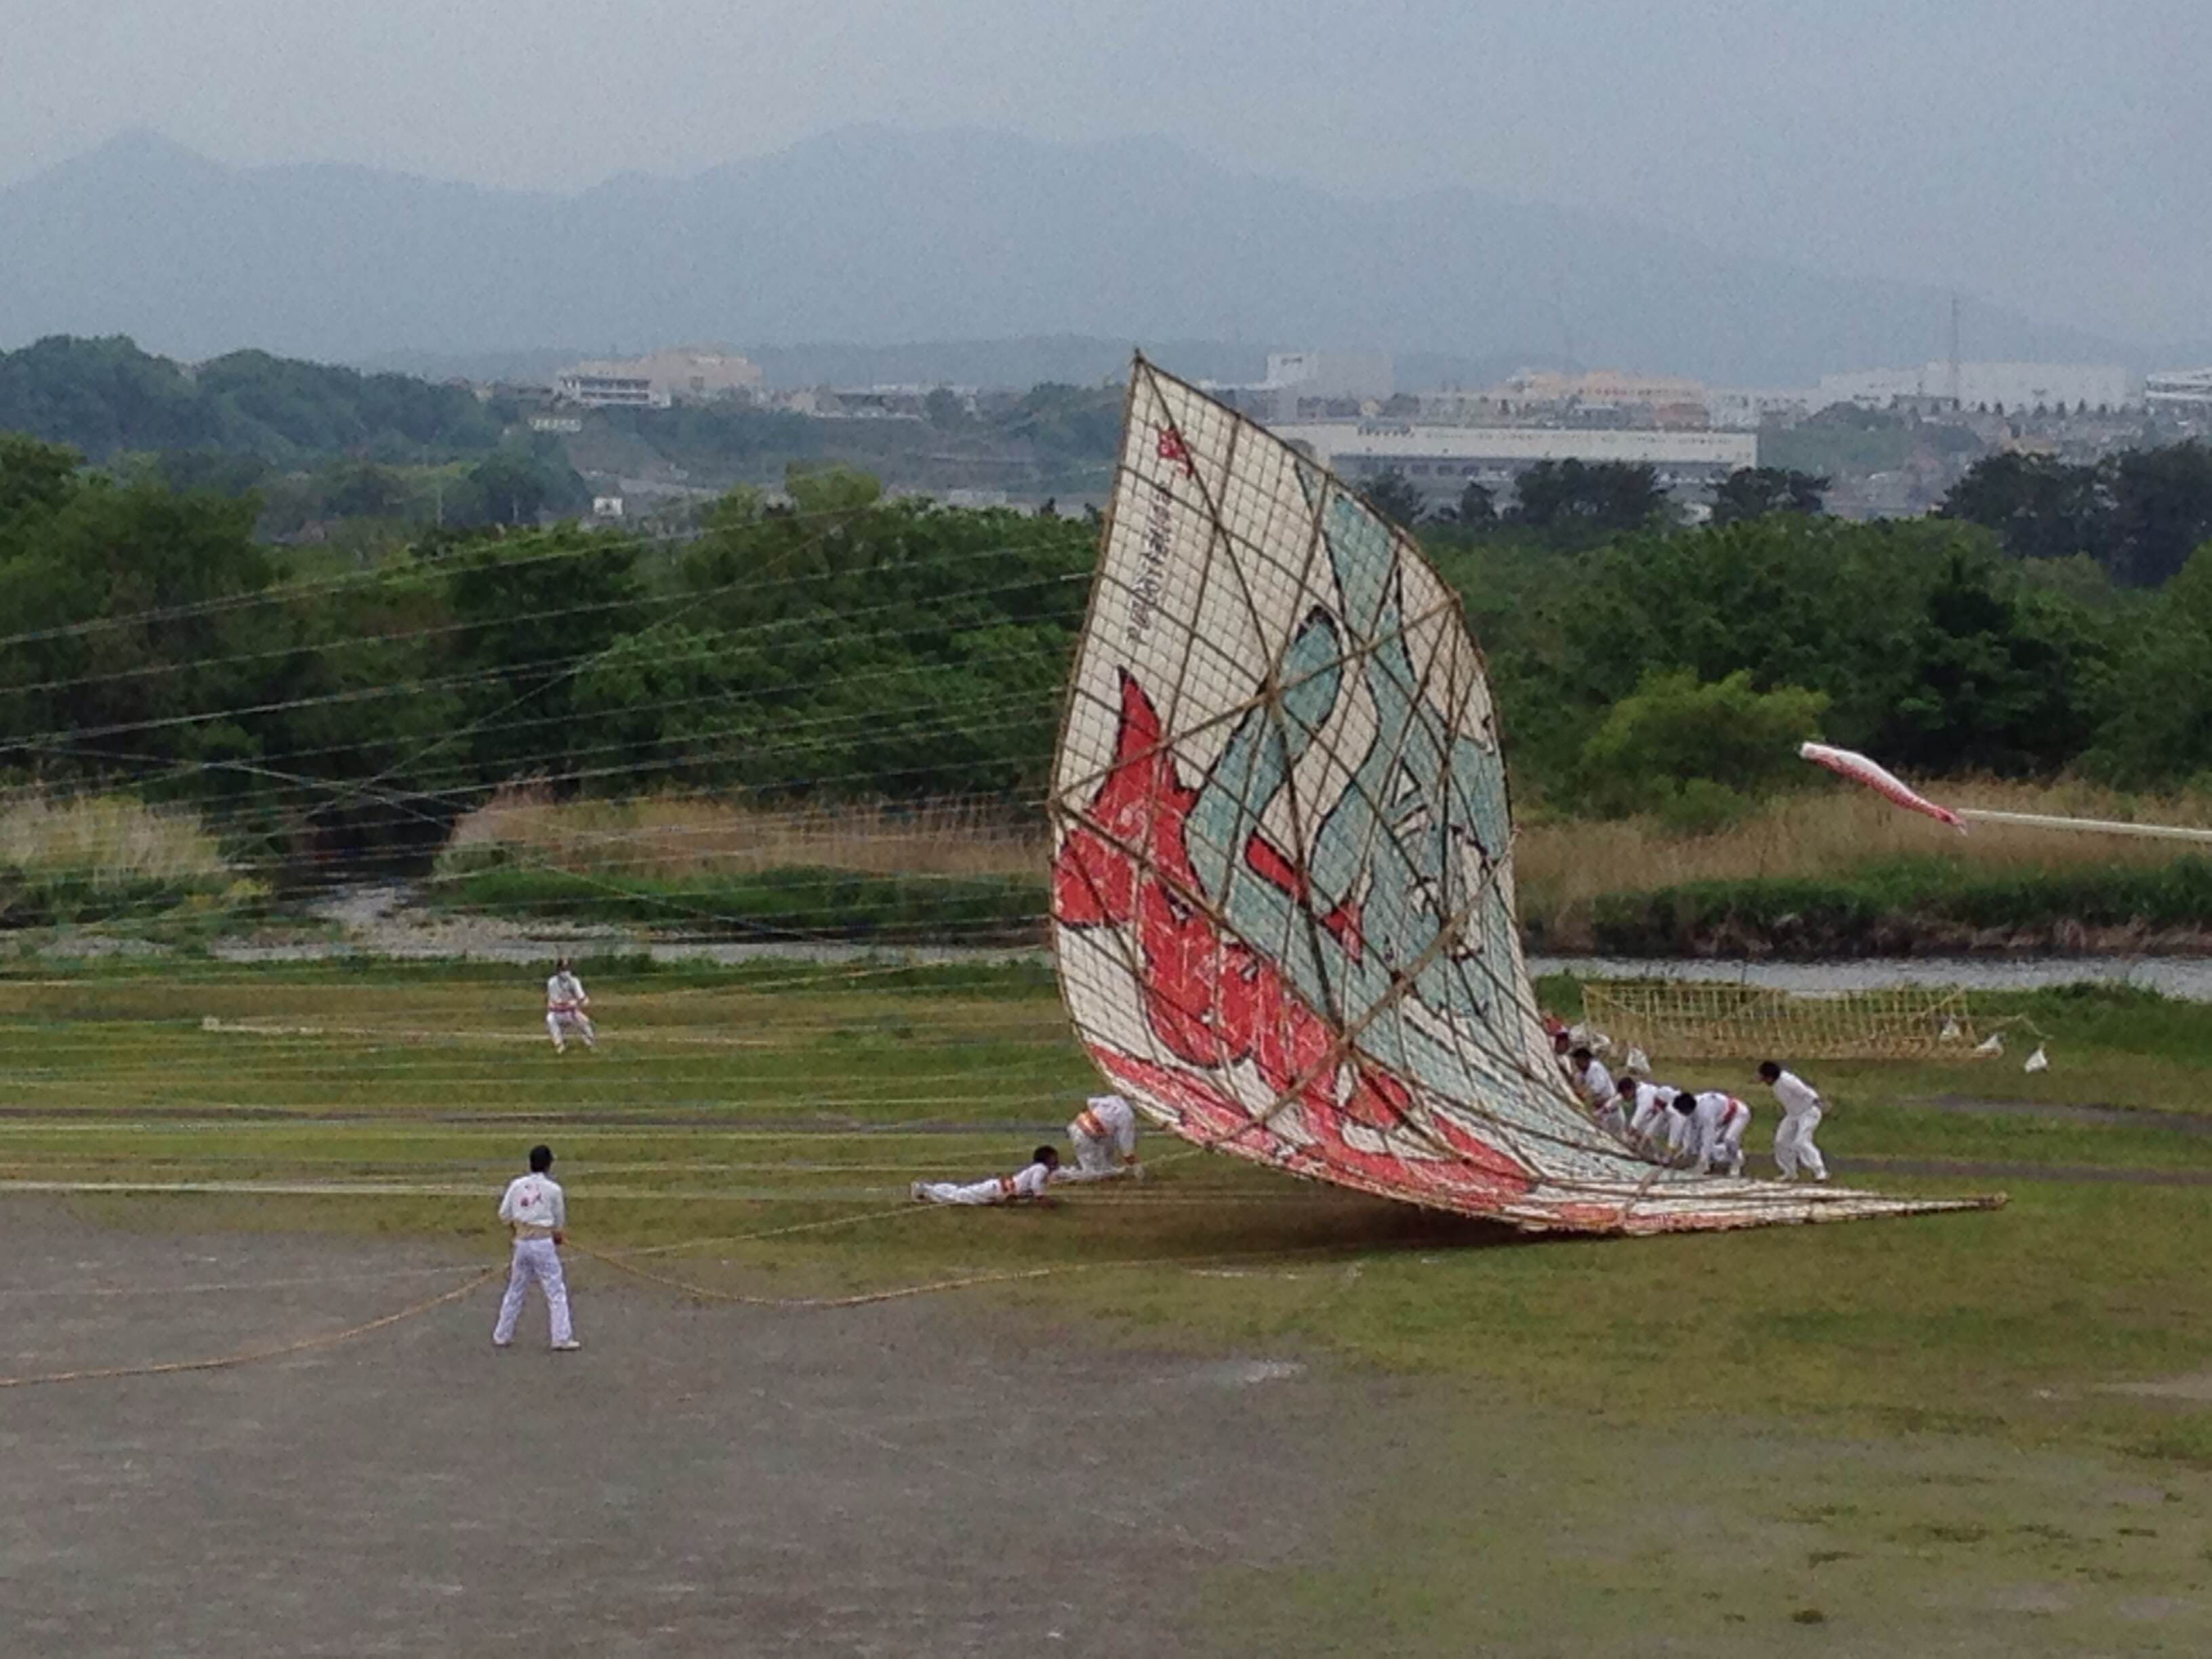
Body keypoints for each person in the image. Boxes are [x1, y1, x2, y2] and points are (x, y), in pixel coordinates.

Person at [493, 1144, 578, 1351]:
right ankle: (561, 1337)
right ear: (549, 1165)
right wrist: (556, 1233)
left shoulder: (517, 1185)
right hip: (542, 1243)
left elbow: (504, 1214)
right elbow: (558, 1221)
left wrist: (520, 1226)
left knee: (516, 1289)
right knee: (555, 1290)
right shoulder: (554, 1190)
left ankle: (502, 1335)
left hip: (522, 1242)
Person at [912, 1145, 1060, 1206]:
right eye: (1053, 1157)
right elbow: (1036, 1187)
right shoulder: (1041, 1169)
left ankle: (929, 1189)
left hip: (998, 1189)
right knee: (960, 1197)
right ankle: (924, 1189)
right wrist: (1043, 1200)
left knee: (961, 1193)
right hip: (998, 1190)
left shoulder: (1039, 1169)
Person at [1760, 1059, 1830, 1182]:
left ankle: (1820, 1171)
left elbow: (1806, 1091)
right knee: (1781, 1141)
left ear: (1771, 1076)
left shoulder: (1788, 1081)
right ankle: (1790, 1172)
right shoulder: (1776, 1083)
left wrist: (1819, 1103)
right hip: (1793, 1115)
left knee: (1801, 1141)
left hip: (1809, 1112)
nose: (1765, 1082)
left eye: (1765, 1078)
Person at [1058, 1093, 1143, 1183]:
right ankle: (1061, 1174)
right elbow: (1127, 1151)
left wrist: (1098, 1119)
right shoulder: (1127, 1117)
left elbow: (1090, 1102)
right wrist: (1136, 1166)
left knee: (1104, 1163)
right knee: (1091, 1174)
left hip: (1076, 1126)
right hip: (1085, 1137)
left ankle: (1104, 1167)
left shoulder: (1114, 1099)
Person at [1670, 1090, 1752, 1177]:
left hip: (1739, 1114)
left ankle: (1737, 1160)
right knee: (1700, 1145)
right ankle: (1707, 1165)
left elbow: (1708, 1137)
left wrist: (1702, 1160)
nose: (1681, 1114)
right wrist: (1686, 1149)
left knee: (1729, 1139)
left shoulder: (1706, 1113)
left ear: (1687, 1109)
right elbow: (1691, 1131)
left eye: (1681, 1111)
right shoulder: (1692, 1109)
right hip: (1722, 1118)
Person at [1571, 1046, 1626, 1139]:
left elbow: (1599, 1086)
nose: (1577, 1063)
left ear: (1585, 1059)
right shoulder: (1582, 1074)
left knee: (1615, 1139)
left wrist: (1585, 1095)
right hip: (1601, 1112)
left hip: (1612, 1112)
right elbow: (1577, 1083)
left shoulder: (1595, 1068)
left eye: (1579, 1060)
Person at [545, 957, 595, 1053]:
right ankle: (560, 1045)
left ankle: (591, 1044)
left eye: (567, 969)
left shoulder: (574, 981)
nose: (566, 972)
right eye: (563, 969)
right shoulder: (552, 982)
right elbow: (554, 1003)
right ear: (558, 970)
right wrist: (571, 1003)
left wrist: (579, 1002)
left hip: (572, 1012)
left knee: (585, 1022)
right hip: (558, 1013)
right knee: (550, 1019)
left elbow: (582, 998)